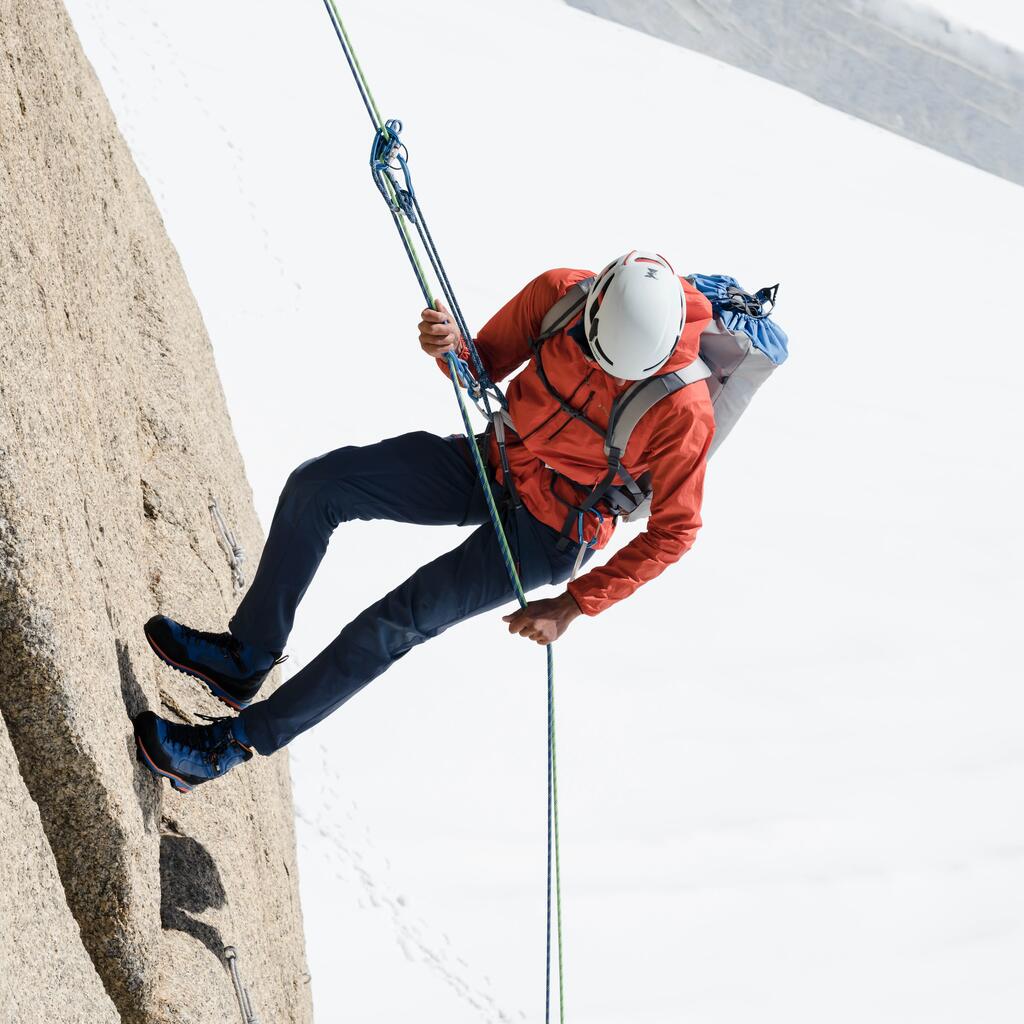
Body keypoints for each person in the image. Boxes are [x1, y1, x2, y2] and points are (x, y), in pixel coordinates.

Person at [133, 251, 716, 793]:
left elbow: (675, 531)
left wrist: (574, 604)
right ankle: (246, 655)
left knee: (394, 622)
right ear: (595, 306)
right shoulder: (561, 295)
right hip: (496, 461)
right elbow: (482, 366)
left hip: (553, 532)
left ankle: (230, 745)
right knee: (320, 487)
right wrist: (450, 349)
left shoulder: (683, 410)